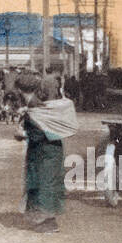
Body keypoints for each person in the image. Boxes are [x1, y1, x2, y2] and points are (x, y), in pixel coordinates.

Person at [14, 70, 74, 233]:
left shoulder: (34, 105)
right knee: (48, 183)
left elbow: (39, 131)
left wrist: (23, 134)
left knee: (43, 184)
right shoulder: (39, 102)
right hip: (51, 149)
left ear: (20, 90)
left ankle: (47, 223)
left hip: (43, 150)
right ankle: (45, 219)